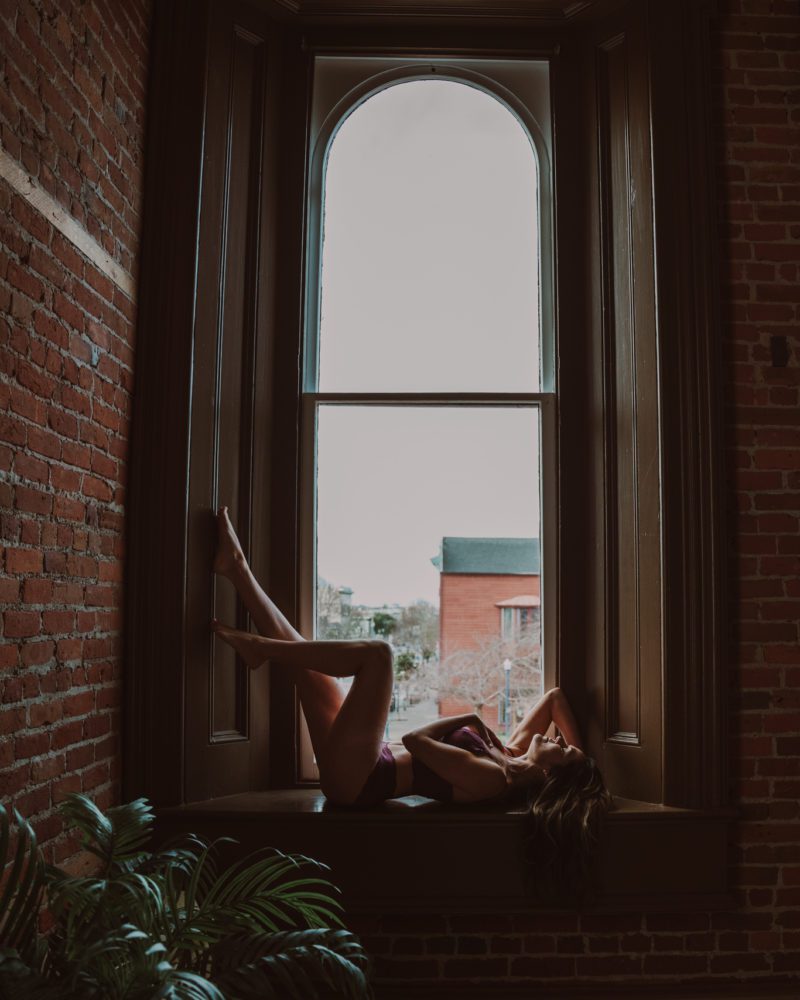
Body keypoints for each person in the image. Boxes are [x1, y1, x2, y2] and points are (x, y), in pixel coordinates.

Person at [212, 507, 610, 890]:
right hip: (365, 767)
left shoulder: (496, 777)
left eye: (565, 751)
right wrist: (584, 763)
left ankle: (261, 647)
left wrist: (467, 718)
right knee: (309, 670)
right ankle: (238, 571)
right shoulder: (514, 751)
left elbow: (418, 742)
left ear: (551, 774)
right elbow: (556, 698)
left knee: (378, 655)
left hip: (362, 779)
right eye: (567, 744)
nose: (561, 740)